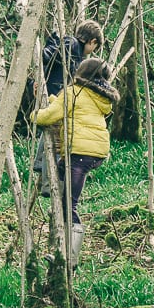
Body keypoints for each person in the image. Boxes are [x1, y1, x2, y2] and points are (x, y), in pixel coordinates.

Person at [33, 57, 120, 268]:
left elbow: (48, 117)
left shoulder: (73, 93)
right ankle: (64, 252)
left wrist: (34, 113)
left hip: (80, 151)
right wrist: (54, 99)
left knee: (68, 205)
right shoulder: (95, 96)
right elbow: (71, 108)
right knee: (64, 185)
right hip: (94, 151)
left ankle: (69, 258)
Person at [33, 20, 105, 195]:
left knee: (52, 133)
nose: (92, 52)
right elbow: (46, 55)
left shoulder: (76, 51)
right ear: (92, 41)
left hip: (55, 94)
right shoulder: (72, 45)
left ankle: (40, 165)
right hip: (54, 93)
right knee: (56, 138)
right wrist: (40, 78)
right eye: (94, 47)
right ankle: (49, 182)